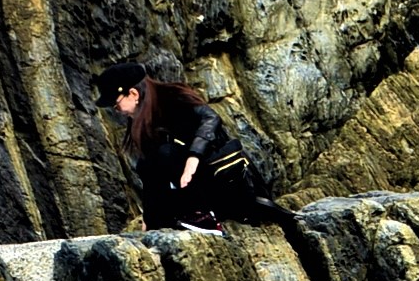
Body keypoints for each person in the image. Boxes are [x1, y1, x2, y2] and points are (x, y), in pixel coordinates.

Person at [96, 62, 296, 233]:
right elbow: (151, 177)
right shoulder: (144, 121)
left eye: (116, 105)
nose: (118, 111)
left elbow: (211, 118)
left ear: (133, 93)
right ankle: (179, 218)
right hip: (198, 188)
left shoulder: (173, 97)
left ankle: (202, 217)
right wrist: (149, 220)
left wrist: (193, 158)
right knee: (145, 165)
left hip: (227, 180)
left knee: (165, 153)